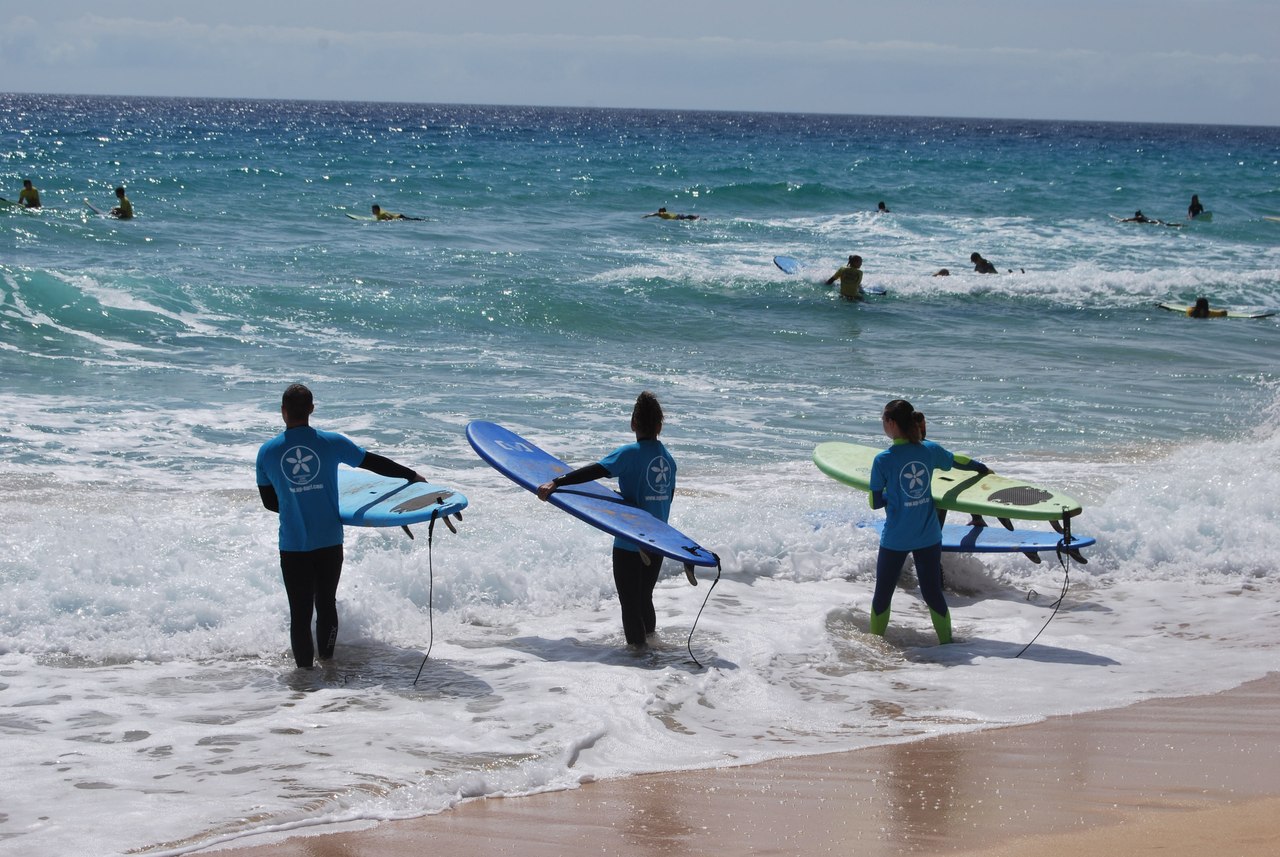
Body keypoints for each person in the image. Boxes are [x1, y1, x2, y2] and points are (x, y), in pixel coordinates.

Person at [256, 383, 428, 669]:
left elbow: (270, 503)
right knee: (326, 605)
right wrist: (410, 475)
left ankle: (305, 677)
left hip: (293, 544)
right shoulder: (332, 443)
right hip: (329, 542)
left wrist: (296, 501)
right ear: (311, 409)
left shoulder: (268, 453)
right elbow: (372, 462)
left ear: (283, 412)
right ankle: (328, 663)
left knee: (299, 614)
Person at [536, 391, 676, 651]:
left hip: (630, 541)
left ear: (633, 424)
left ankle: (638, 656)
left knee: (629, 602)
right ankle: (652, 646)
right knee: (645, 597)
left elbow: (595, 471)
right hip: (657, 540)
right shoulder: (668, 460)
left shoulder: (629, 453)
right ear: (659, 426)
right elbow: (667, 497)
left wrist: (557, 482)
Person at [868, 399, 989, 644]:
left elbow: (875, 502)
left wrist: (891, 492)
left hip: (897, 537)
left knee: (883, 596)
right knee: (932, 593)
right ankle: (947, 644)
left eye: (883, 420)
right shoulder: (929, 450)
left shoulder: (883, 460)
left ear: (891, 423)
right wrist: (981, 468)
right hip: (928, 535)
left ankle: (875, 647)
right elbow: (956, 460)